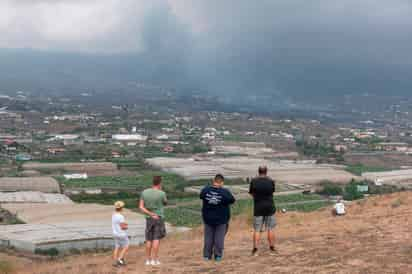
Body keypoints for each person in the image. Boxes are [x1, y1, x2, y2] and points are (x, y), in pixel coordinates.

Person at [200, 174, 236, 261]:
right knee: (219, 237)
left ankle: (206, 256)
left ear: (214, 181)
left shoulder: (205, 190)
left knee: (208, 237)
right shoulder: (225, 192)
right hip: (221, 219)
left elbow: (201, 196)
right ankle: (218, 256)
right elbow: (232, 200)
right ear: (222, 182)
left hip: (208, 218)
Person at [139, 176, 168, 266]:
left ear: (152, 182)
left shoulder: (144, 192)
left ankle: (148, 260)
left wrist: (150, 214)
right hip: (159, 218)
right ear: (160, 183)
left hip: (148, 219)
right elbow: (165, 203)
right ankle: (155, 260)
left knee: (148, 240)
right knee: (156, 239)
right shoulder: (162, 193)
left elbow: (141, 207)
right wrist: (161, 191)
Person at [249, 166, 276, 256]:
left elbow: (251, 193)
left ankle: (255, 249)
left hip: (258, 207)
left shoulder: (253, 181)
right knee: (270, 229)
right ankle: (272, 248)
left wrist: (257, 198)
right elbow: (272, 192)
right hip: (269, 207)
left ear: (258, 171)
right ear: (266, 172)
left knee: (257, 230)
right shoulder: (271, 181)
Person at [112, 201, 129, 267]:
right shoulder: (121, 216)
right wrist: (126, 226)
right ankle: (119, 260)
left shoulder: (113, 215)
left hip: (115, 233)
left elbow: (118, 224)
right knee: (126, 246)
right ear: (122, 208)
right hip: (121, 234)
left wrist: (124, 224)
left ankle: (115, 262)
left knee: (117, 247)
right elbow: (123, 227)